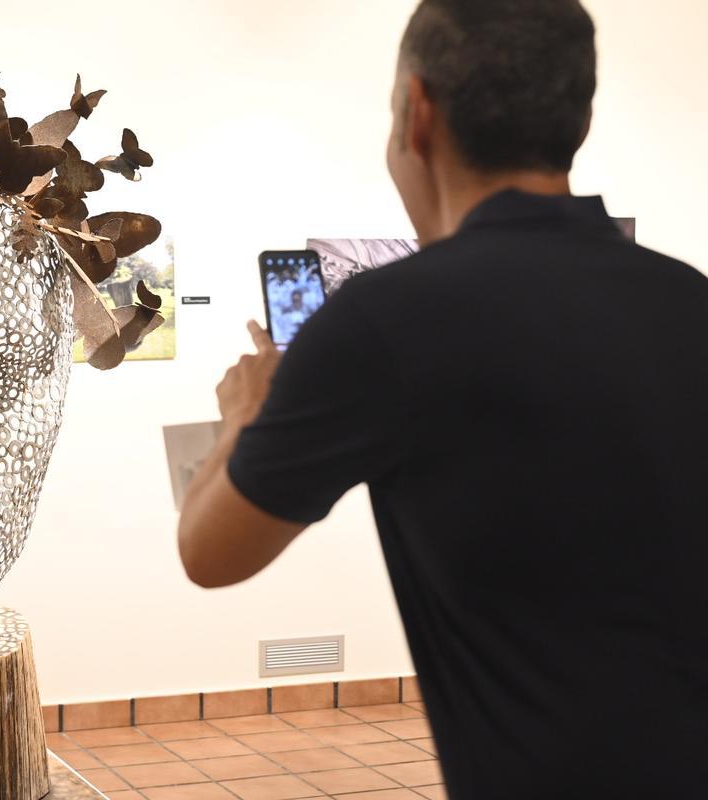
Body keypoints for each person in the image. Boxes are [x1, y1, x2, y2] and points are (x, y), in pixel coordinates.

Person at [176, 1, 708, 798]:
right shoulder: (689, 299)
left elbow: (209, 552)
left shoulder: (381, 321)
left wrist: (246, 413)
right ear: (580, 116)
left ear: (415, 113)